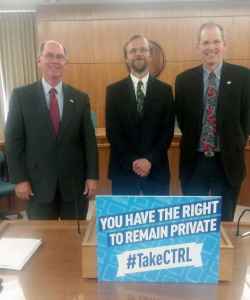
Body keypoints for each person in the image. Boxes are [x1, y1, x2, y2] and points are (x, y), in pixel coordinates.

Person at [5, 40, 98, 220]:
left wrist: (92, 176)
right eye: (49, 55)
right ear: (39, 61)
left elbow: (89, 141)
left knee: (74, 238)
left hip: (74, 184)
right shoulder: (21, 96)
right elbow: (13, 141)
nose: (54, 61)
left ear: (65, 62)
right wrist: (19, 179)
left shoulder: (80, 98)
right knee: (43, 238)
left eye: (59, 56)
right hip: (37, 185)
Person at [175, 22, 250, 221]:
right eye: (205, 42)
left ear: (224, 45)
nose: (211, 47)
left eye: (216, 41)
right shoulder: (183, 80)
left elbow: (246, 119)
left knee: (224, 222)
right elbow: (183, 120)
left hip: (227, 163)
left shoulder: (243, 77)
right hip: (194, 162)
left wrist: (235, 143)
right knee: (193, 222)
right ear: (198, 46)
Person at [105, 34, 175, 195]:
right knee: (125, 220)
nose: (138, 54)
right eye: (133, 51)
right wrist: (133, 161)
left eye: (143, 50)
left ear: (150, 55)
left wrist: (149, 160)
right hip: (123, 171)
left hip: (156, 170)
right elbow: (113, 133)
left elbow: (167, 132)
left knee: (157, 220)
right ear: (126, 58)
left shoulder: (165, 91)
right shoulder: (113, 92)